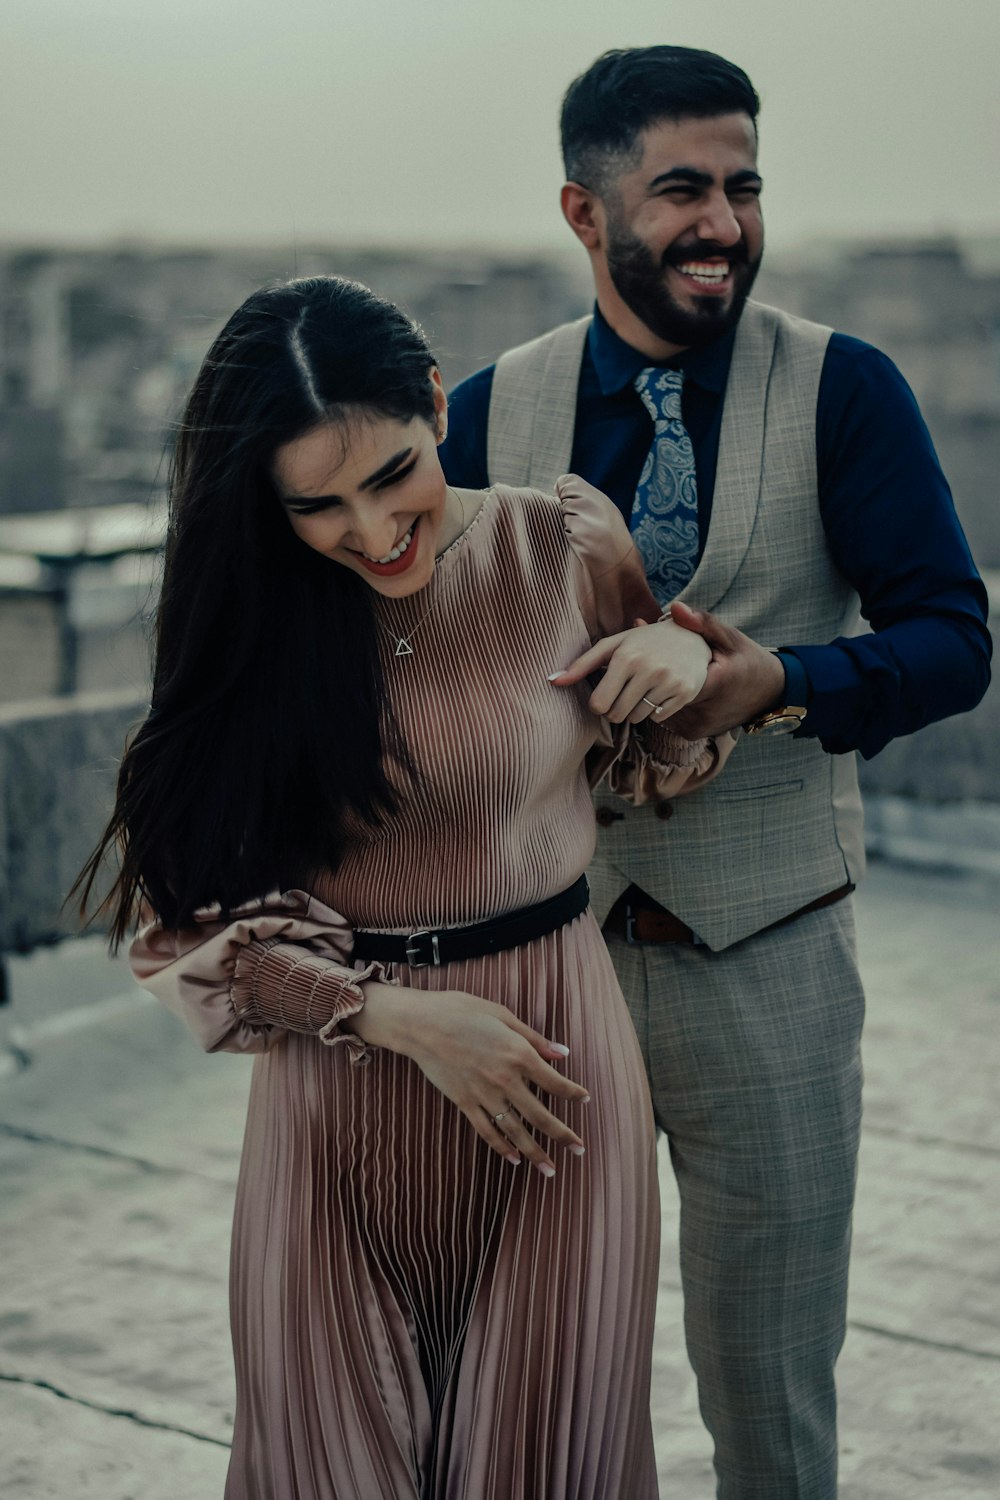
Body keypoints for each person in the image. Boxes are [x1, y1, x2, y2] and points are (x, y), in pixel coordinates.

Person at [77, 274, 735, 1499]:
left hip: (551, 1077)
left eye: (391, 475)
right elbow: (188, 936)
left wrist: (678, 648)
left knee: (548, 1460)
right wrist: (387, 1014)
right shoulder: (254, 618)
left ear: (437, 404)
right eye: (316, 505)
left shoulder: (564, 546)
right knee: (326, 1459)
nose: (373, 531)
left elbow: (664, 758)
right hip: (337, 1092)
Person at [440, 45, 992, 1500]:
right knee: (544, 1379)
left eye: (744, 185)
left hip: (774, 964)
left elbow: (953, 640)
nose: (725, 222)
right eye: (681, 187)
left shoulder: (846, 390)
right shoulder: (489, 412)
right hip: (544, 976)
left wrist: (779, 685)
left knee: (771, 1395)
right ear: (583, 210)